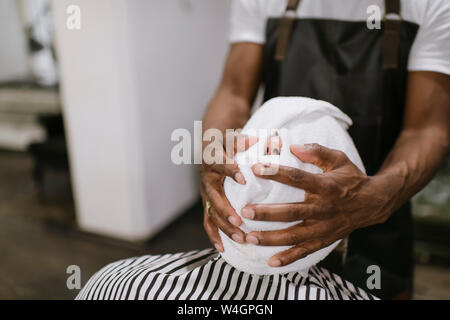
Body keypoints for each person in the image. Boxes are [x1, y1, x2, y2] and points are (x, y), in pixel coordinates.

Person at [199, 0, 450, 299]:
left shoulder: (432, 4)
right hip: (273, 216)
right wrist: (213, 152)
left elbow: (426, 129)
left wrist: (378, 197)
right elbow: (234, 92)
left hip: (382, 203)